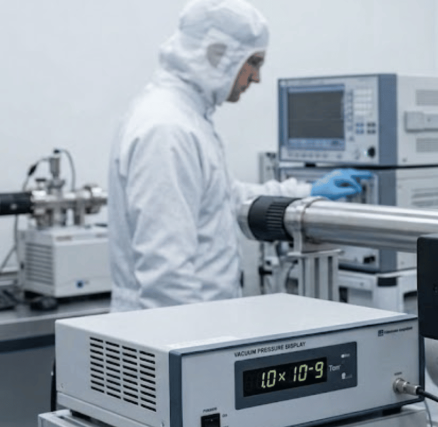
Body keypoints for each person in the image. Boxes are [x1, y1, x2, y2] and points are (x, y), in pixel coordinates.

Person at [107, 0, 369, 312]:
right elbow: (167, 274)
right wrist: (193, 352)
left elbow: (224, 197)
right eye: (254, 62)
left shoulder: (187, 119)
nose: (257, 77)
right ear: (219, 55)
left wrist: (306, 193)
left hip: (198, 323)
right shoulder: (168, 129)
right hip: (178, 329)